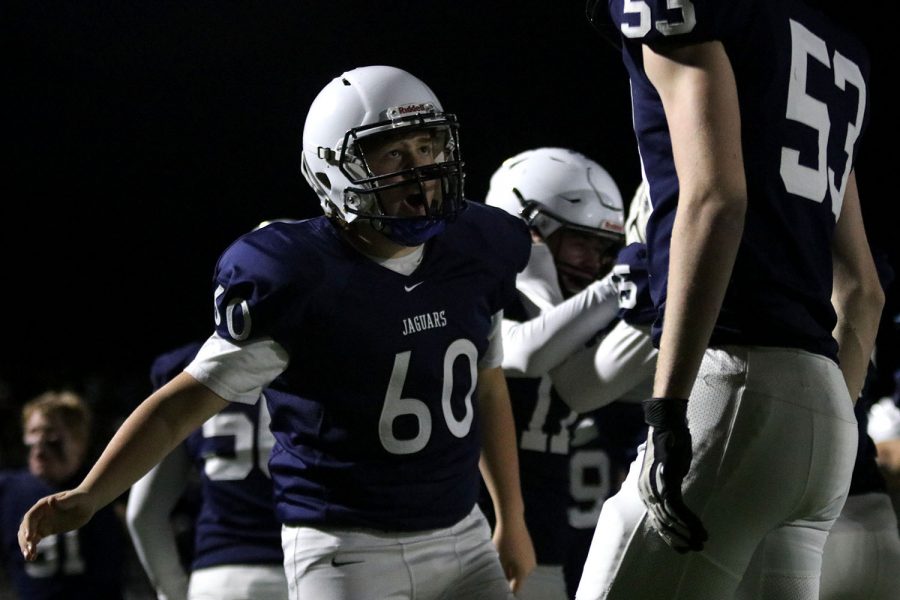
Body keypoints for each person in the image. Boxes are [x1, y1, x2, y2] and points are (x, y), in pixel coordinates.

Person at [17, 65, 536, 600]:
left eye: (427, 148)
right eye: (393, 155)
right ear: (334, 169)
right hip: (346, 549)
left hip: (462, 534)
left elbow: (486, 384)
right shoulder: (298, 278)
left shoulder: (474, 248)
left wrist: (510, 517)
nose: (420, 172)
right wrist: (90, 492)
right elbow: (178, 408)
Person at [578, 1, 885, 598]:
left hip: (733, 383)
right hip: (825, 406)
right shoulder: (834, 46)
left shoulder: (698, 10)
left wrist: (669, 407)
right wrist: (829, 424)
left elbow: (717, 199)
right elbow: (863, 290)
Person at [480, 147, 626, 599]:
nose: (592, 261)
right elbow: (524, 353)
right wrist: (623, 283)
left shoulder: (579, 316)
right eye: (581, 241)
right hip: (473, 542)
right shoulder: (479, 293)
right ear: (532, 231)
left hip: (545, 545)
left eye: (603, 250)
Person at [126, 339, 288, 600]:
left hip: (218, 578)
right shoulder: (320, 353)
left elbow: (143, 514)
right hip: (303, 567)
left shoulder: (192, 363)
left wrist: (173, 592)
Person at [1, 390, 127, 599]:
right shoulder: (8, 490)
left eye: (50, 432)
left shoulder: (105, 484)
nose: (39, 442)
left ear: (78, 439)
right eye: (33, 431)